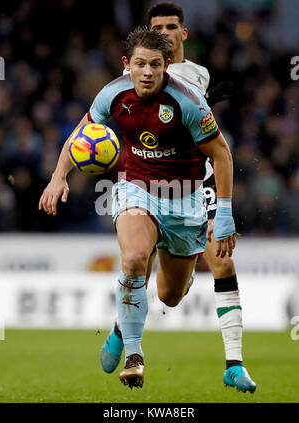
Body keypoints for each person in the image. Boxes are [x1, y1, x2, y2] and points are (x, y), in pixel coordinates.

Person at [39, 26, 235, 389]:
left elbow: (220, 155)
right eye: (141, 64)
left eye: (156, 65)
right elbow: (82, 134)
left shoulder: (188, 102)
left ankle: (120, 325)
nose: (147, 72)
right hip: (136, 189)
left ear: (166, 65)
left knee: (170, 297)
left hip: (185, 198)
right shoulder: (113, 93)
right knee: (133, 260)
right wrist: (58, 176)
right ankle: (134, 353)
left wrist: (222, 211)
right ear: (127, 64)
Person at [100, 2, 256, 394]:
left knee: (218, 261)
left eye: (172, 26)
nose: (166, 32)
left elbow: (199, 121)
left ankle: (234, 363)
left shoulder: (196, 74)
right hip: (151, 180)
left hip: (195, 181)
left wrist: (224, 210)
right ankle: (128, 333)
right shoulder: (138, 73)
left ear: (183, 34)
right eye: (158, 27)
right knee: (139, 256)